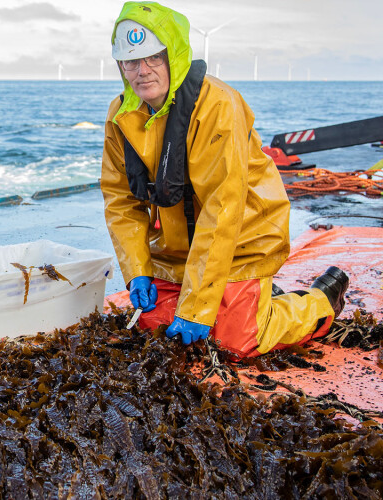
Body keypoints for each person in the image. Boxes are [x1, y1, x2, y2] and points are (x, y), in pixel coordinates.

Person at [100, 2, 349, 359]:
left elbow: (223, 208)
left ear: (176, 55)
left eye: (154, 58)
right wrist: (137, 270)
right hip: (177, 248)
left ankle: (318, 303)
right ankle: (246, 296)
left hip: (243, 239)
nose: (142, 72)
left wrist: (198, 305)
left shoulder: (219, 106)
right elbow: (120, 199)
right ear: (120, 65)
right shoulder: (120, 114)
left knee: (234, 340)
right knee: (153, 323)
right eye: (131, 62)